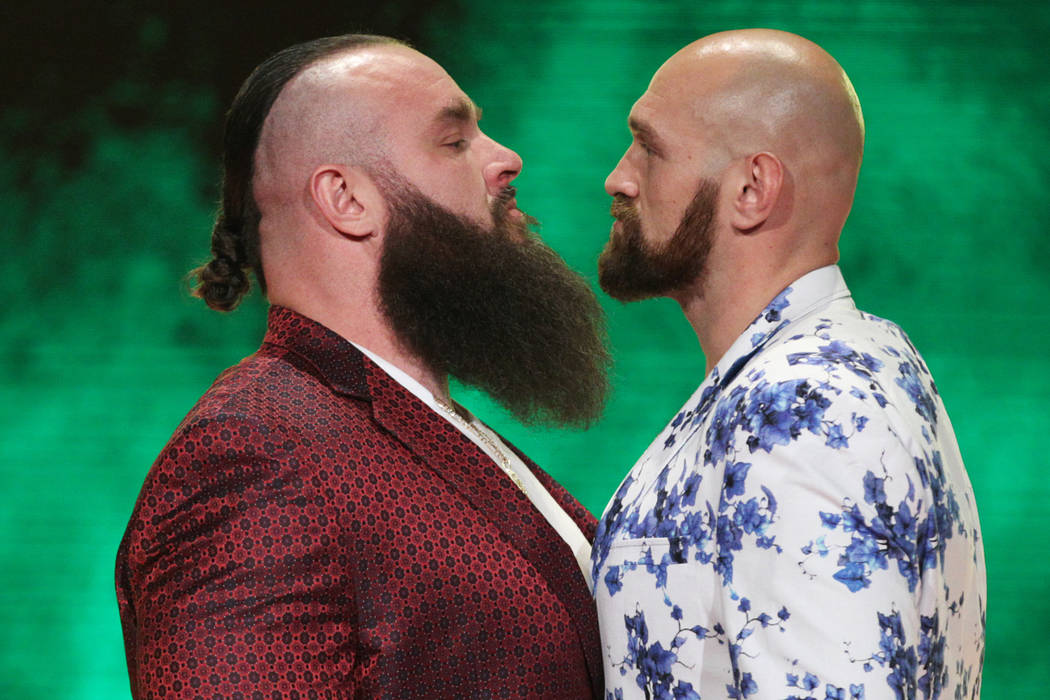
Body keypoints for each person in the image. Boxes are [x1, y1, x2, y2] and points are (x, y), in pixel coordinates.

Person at [115, 34, 611, 699]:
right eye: (454, 141)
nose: (506, 159)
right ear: (345, 199)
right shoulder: (253, 453)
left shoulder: (421, 423)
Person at [590, 29, 985, 700]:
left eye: (649, 149)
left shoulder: (800, 408)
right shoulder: (852, 365)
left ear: (752, 189)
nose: (619, 177)